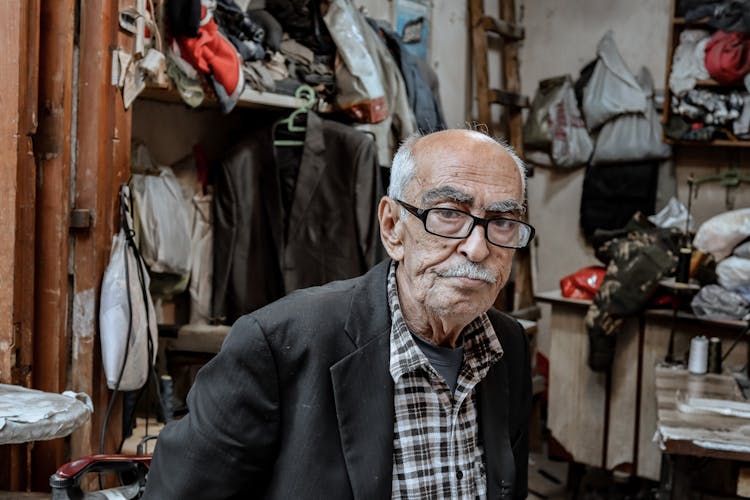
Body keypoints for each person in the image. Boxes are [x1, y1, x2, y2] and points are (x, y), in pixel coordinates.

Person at [142, 128, 534, 499]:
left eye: (502, 222)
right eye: (449, 214)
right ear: (393, 227)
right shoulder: (279, 343)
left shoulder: (508, 344)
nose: (477, 248)